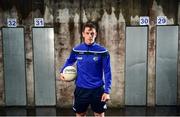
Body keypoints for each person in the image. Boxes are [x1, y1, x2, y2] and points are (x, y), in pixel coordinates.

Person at [59, 22, 112, 117]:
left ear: (95, 34)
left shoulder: (103, 51)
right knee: (80, 114)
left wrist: (107, 91)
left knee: (99, 115)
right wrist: (62, 72)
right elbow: (69, 61)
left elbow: (107, 71)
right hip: (81, 90)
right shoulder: (77, 50)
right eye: (87, 33)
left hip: (97, 90)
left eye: (92, 33)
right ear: (83, 34)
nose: (90, 36)